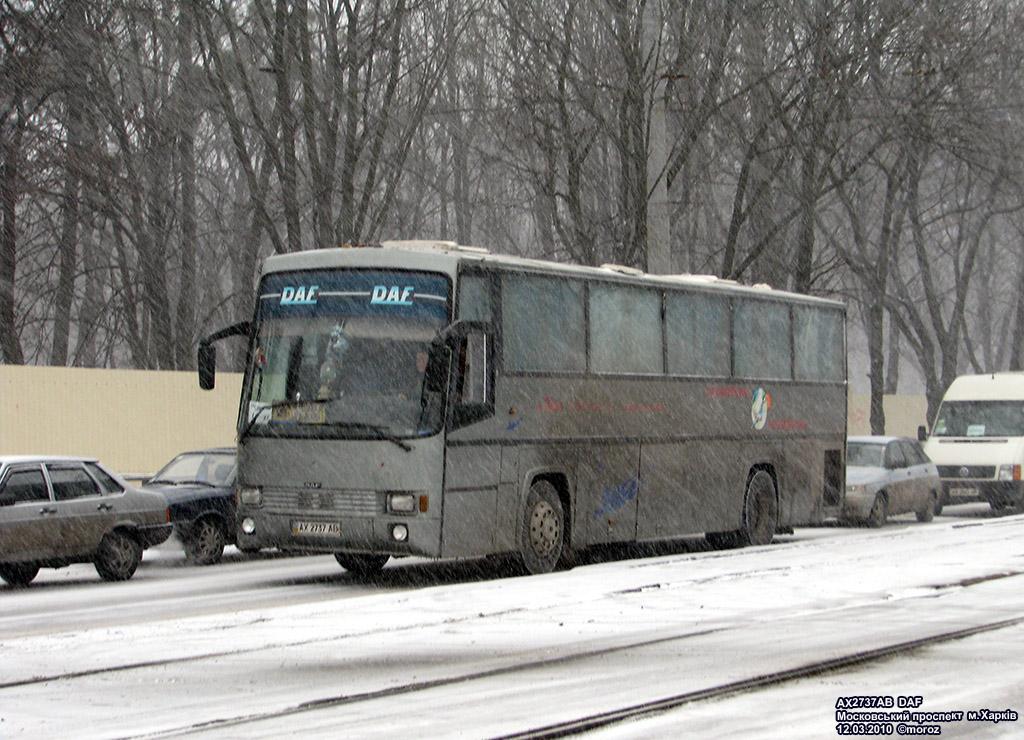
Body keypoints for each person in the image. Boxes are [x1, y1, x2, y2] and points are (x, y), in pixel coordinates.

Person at [317, 322, 350, 399]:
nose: (321, 391)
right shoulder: (338, 382)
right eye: (323, 393)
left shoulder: (323, 376)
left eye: (320, 392)